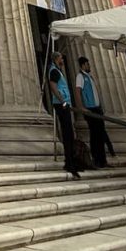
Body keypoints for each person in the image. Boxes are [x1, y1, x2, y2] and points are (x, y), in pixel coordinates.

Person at [48, 50, 80, 178]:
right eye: (61, 57)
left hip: (63, 103)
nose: (63, 60)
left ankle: (71, 162)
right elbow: (53, 86)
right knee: (67, 134)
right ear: (57, 58)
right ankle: (70, 163)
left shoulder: (57, 70)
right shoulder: (54, 71)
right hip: (61, 104)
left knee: (69, 134)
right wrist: (63, 101)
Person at [75, 56, 108, 168]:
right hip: (90, 109)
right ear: (83, 65)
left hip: (97, 108)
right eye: (88, 64)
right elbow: (78, 91)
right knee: (94, 135)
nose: (89, 66)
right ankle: (96, 160)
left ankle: (103, 160)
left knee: (101, 134)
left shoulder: (90, 77)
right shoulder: (80, 76)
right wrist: (81, 107)